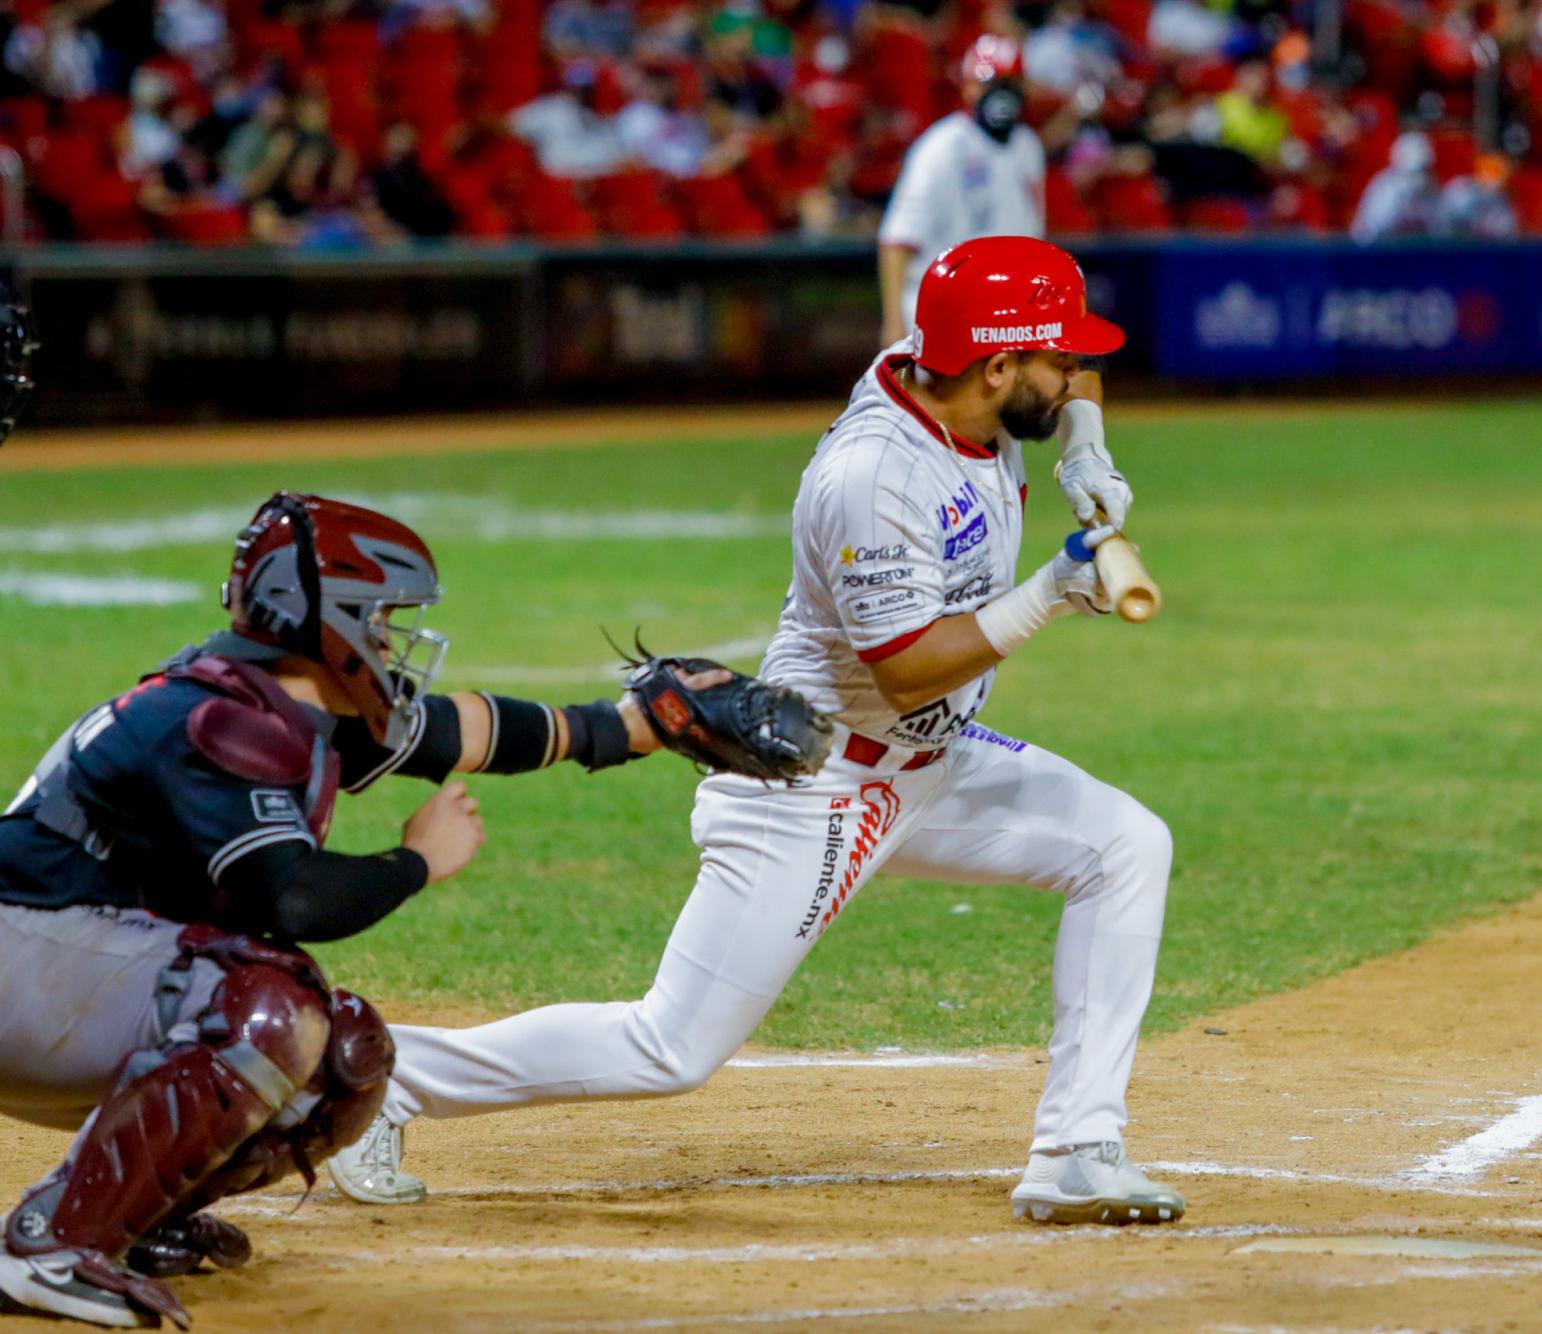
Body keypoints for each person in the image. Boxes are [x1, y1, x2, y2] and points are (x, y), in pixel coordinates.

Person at [332, 236, 1185, 1229]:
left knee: (1125, 842)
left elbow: (1074, 369)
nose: (1074, 371)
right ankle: (382, 1074)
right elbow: (906, 666)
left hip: (926, 760)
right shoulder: (871, 475)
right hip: (808, 775)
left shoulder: (956, 374)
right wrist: (1046, 592)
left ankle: (1078, 1150)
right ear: (995, 368)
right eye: (1049, 359)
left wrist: (1085, 446)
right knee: (668, 1047)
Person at [0, 492, 824, 1328]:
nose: (392, 638)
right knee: (266, 1005)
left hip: (66, 966)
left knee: (343, 1062)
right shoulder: (222, 722)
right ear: (324, 618)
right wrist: (417, 861)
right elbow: (294, 895)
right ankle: (50, 1242)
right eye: (381, 617)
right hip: (25, 957)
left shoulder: (274, 699)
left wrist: (632, 724)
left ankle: (129, 1216)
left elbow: (466, 730)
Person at [877, 34, 1045, 348]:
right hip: (941, 313)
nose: (1000, 95)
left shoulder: (1028, 147)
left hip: (1007, 314)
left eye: (1009, 83)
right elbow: (897, 241)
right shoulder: (940, 147)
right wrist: (893, 323)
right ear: (968, 87)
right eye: (989, 83)